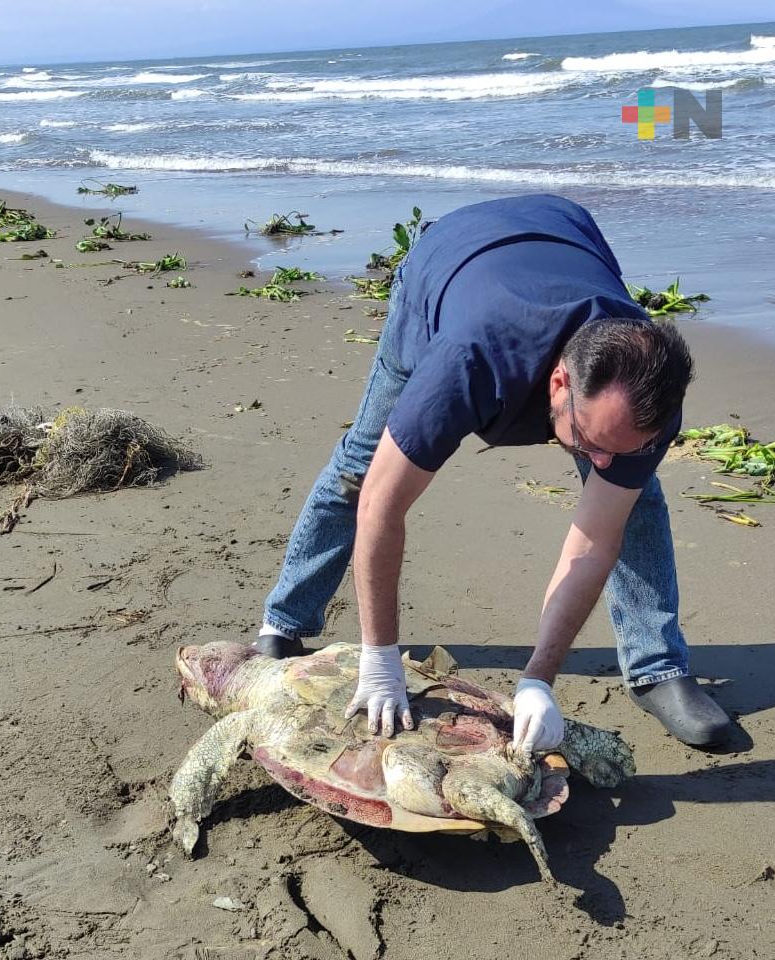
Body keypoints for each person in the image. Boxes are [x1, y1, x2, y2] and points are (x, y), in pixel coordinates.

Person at [253, 193, 731, 751]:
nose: (601, 462)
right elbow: (382, 504)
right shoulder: (465, 362)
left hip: (561, 235)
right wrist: (380, 658)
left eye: (620, 449)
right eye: (592, 444)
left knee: (635, 498)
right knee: (359, 470)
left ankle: (657, 667)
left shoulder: (648, 394)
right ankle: (283, 625)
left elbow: (593, 544)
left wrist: (539, 679)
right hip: (447, 267)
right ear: (559, 385)